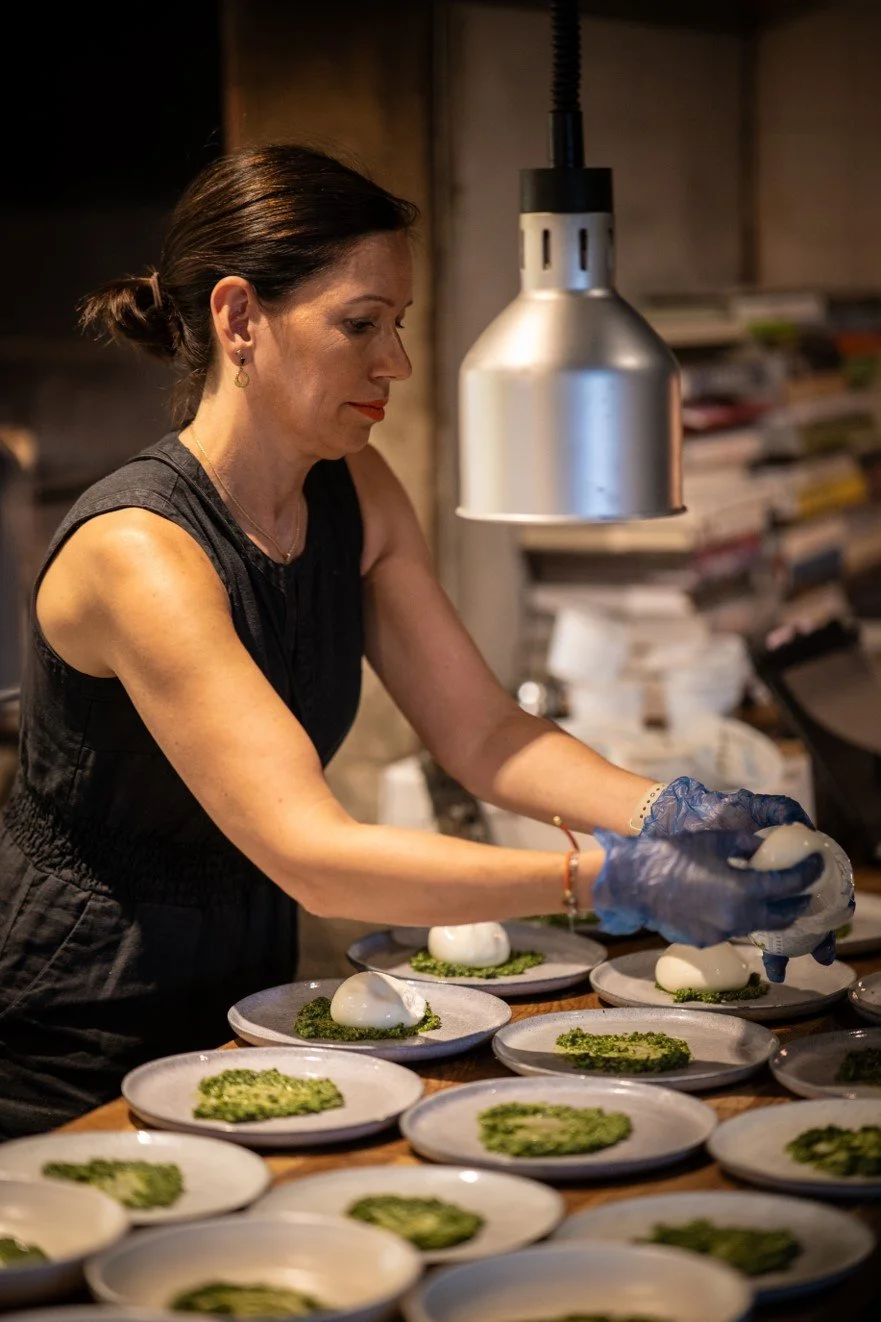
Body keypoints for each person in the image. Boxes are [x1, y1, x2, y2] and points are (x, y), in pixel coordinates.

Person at [0, 143, 832, 1139]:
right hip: (75, 1036)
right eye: (358, 324)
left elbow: (485, 734)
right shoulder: (139, 550)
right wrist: (599, 876)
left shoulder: (353, 485)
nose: (393, 361)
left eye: (396, 324)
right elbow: (315, 853)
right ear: (238, 319)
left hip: (240, 1005)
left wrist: (667, 808)